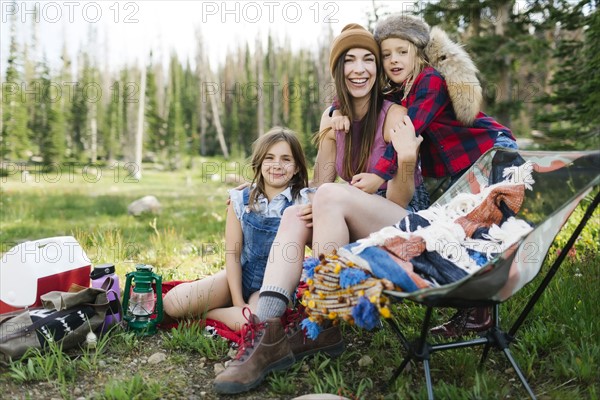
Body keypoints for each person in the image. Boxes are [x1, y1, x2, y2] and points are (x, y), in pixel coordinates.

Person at [213, 23, 423, 395]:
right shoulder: (334, 115)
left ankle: (324, 314)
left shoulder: (393, 115)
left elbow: (398, 203)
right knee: (298, 212)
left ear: (377, 68)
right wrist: (326, 137)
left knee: (328, 196)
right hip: (350, 220)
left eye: (368, 60)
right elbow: (318, 188)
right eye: (349, 61)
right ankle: (266, 333)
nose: (359, 69)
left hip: (402, 225)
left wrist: (405, 160)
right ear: (338, 70)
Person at [330, 14, 519, 337]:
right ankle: (471, 307)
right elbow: (367, 98)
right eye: (386, 54)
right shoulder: (403, 89)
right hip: (464, 165)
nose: (393, 60)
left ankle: (481, 311)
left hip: (492, 154)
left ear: (418, 52)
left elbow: (410, 128)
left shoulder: (429, 80)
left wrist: (378, 175)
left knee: (481, 233)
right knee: (463, 232)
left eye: (401, 52)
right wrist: (338, 108)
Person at [162, 127, 310, 331]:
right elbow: (233, 254)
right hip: (241, 275)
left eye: (286, 159)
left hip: (274, 287)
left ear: (296, 167)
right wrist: (237, 300)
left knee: (257, 322)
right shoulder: (240, 199)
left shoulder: (302, 202)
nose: (277, 165)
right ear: (259, 163)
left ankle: (208, 316)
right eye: (269, 158)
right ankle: (231, 309)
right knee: (172, 304)